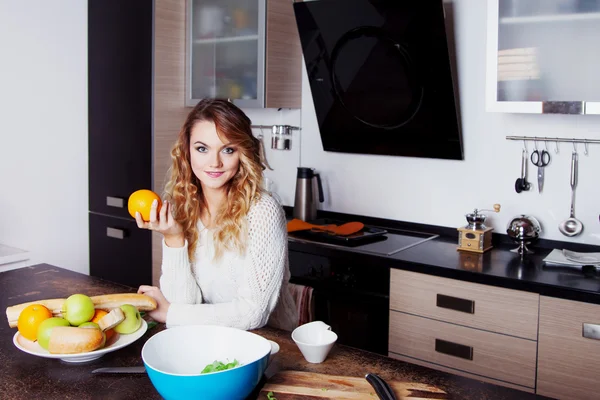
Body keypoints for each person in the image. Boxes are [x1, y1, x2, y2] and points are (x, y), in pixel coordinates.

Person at [135, 98, 297, 332]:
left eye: (228, 149)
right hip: (210, 339)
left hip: (270, 344)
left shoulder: (263, 211)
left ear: (243, 153)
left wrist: (169, 312)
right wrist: (174, 239)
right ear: (186, 151)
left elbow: (253, 313)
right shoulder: (183, 207)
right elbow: (184, 304)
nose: (215, 163)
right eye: (202, 149)